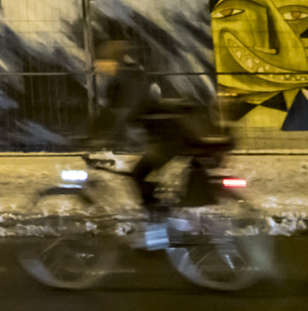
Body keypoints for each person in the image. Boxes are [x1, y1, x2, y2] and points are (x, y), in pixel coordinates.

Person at [88, 39, 224, 211]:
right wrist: (95, 132)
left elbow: (123, 111)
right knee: (142, 174)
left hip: (169, 138)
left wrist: (101, 136)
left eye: (101, 61)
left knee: (138, 175)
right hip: (163, 135)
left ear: (113, 61)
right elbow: (110, 112)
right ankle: (158, 209)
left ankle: (157, 216)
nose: (97, 67)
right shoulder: (125, 79)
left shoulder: (127, 81)